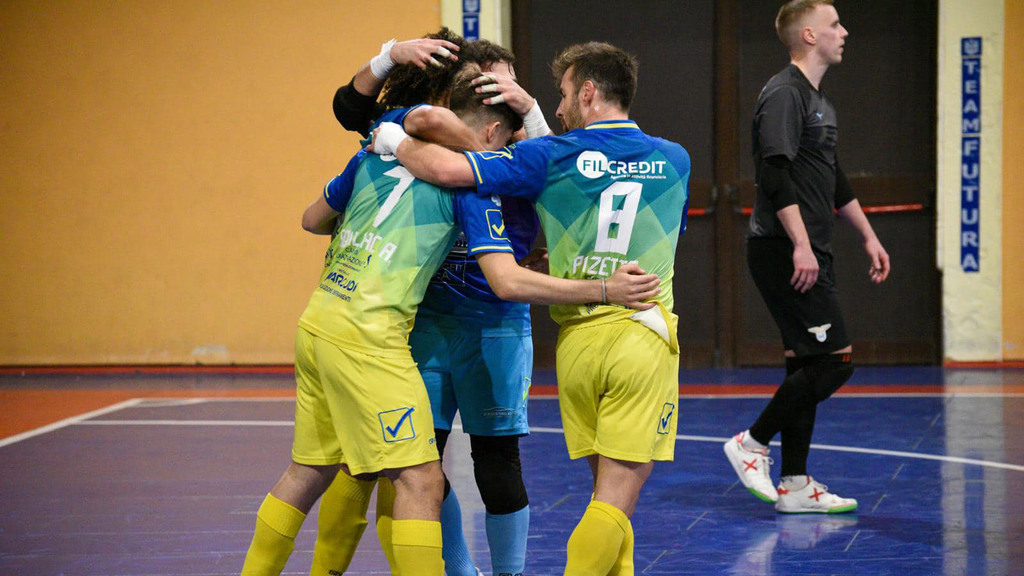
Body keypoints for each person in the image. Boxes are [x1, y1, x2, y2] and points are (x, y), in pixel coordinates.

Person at [239, 69, 661, 576]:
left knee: (316, 469)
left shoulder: (375, 150)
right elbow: (506, 280)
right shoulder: (467, 187)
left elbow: (312, 219)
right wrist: (604, 289)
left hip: (319, 322)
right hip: (374, 337)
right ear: (492, 132)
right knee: (420, 480)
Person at [369, 41, 690, 575]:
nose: (557, 109)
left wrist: (391, 136)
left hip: (579, 344)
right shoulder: (676, 159)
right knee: (614, 500)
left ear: (588, 92)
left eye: (562, 95)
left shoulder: (549, 159)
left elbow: (448, 169)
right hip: (640, 335)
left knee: (607, 496)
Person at [328, 33, 552, 576]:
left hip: (496, 325)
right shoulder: (418, 131)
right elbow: (349, 107)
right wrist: (389, 55)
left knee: (496, 460)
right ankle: (458, 568)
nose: (496, 92)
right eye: (485, 82)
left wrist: (532, 112)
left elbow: (561, 176)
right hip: (426, 324)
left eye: (506, 85)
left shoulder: (524, 147)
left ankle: (510, 572)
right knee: (419, 459)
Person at [723, 0, 890, 514]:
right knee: (836, 362)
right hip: (782, 248)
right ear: (811, 35)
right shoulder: (784, 94)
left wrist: (868, 236)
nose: (845, 31)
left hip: (810, 247)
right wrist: (799, 243)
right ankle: (751, 443)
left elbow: (833, 179)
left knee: (809, 363)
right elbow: (774, 175)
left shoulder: (819, 100)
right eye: (834, 24)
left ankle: (795, 483)